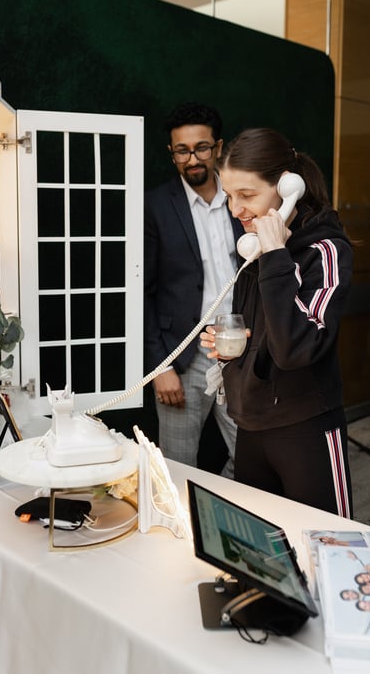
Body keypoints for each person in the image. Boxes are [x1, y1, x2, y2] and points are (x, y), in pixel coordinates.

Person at [200, 127, 353, 516]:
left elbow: (296, 350)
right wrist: (233, 348)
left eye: (247, 195)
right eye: (229, 195)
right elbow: (264, 335)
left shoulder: (325, 252)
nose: (235, 209)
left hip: (305, 425)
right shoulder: (252, 252)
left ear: (287, 188)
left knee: (327, 541)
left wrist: (275, 255)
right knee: (257, 541)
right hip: (251, 423)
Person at [144, 102, 242, 476]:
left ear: (218, 147)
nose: (192, 159)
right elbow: (143, 292)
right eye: (181, 151)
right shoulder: (155, 205)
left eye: (201, 148)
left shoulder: (241, 196)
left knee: (251, 458)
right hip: (184, 353)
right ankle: (186, 516)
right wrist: (160, 366)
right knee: (177, 468)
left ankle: (217, 508)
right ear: (172, 154)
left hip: (239, 346)